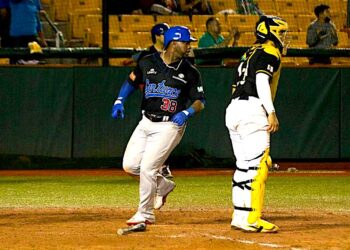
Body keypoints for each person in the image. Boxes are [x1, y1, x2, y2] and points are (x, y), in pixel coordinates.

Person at [111, 26, 205, 225]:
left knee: (147, 167)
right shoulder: (147, 62)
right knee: (129, 166)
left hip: (170, 125)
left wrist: (187, 112)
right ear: (173, 43)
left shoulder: (190, 71)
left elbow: (200, 101)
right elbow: (131, 82)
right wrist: (119, 100)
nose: (189, 46)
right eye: (186, 42)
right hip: (146, 121)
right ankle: (162, 186)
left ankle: (145, 213)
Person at [225, 15, 288, 233]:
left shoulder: (248, 53)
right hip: (252, 110)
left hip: (234, 109)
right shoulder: (270, 52)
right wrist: (270, 111)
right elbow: (261, 80)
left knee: (243, 166)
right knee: (258, 165)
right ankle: (252, 218)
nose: (283, 37)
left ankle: (240, 216)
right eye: (281, 33)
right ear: (270, 32)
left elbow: (236, 84)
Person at [9, 0, 47, 64]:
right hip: (17, 38)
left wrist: (42, 39)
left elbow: (37, 20)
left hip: (32, 37)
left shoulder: (35, 1)